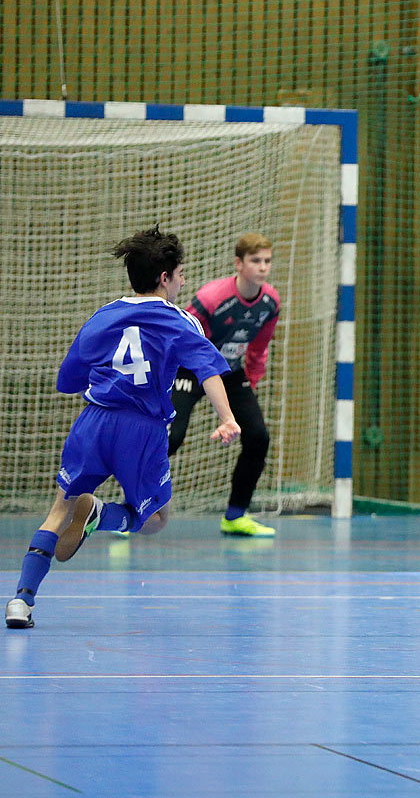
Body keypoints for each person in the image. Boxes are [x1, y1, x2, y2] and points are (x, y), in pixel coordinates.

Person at [6, 227, 240, 630]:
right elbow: (209, 371)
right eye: (181, 273)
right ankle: (103, 515)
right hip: (144, 430)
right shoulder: (181, 320)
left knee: (59, 509)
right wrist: (227, 418)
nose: (184, 280)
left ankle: (20, 602)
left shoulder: (104, 315)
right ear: (165, 277)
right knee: (156, 520)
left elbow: (69, 379)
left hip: (94, 421)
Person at [168, 233, 280, 537]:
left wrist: (250, 385)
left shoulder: (270, 302)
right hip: (190, 370)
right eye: (256, 261)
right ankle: (131, 508)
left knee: (257, 436)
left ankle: (235, 516)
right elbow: (179, 335)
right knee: (170, 438)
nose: (263, 267)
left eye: (267, 261)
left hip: (230, 371)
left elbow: (258, 347)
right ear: (238, 264)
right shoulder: (212, 298)